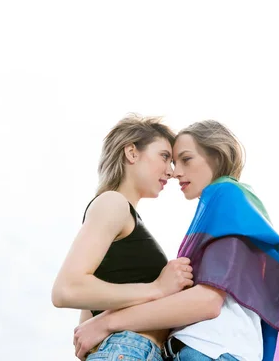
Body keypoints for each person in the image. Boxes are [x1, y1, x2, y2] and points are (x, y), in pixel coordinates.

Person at [73, 120, 279, 361]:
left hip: (210, 350)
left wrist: (107, 322)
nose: (175, 172)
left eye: (186, 159)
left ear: (217, 156)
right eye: (172, 162)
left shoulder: (227, 196)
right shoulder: (217, 209)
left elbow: (207, 301)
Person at [51, 114, 195, 361]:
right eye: (164, 157)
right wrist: (157, 288)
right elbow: (66, 290)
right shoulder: (113, 203)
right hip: (127, 350)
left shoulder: (118, 215)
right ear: (132, 153)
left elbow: (87, 328)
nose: (171, 172)